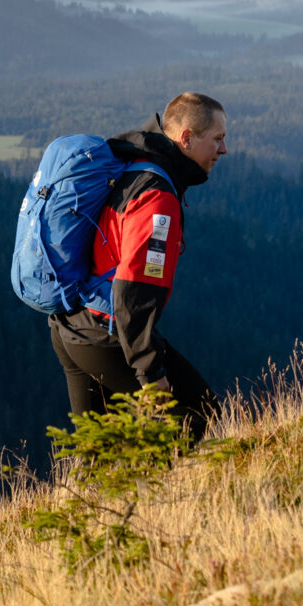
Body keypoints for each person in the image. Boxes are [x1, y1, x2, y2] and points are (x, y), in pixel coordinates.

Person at [48, 93, 228, 439]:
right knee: (199, 413)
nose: (223, 150)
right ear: (187, 138)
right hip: (106, 334)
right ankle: (168, 493)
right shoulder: (157, 197)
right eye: (217, 139)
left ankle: (99, 494)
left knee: (98, 453)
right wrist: (151, 372)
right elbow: (134, 291)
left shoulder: (133, 165)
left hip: (69, 325)